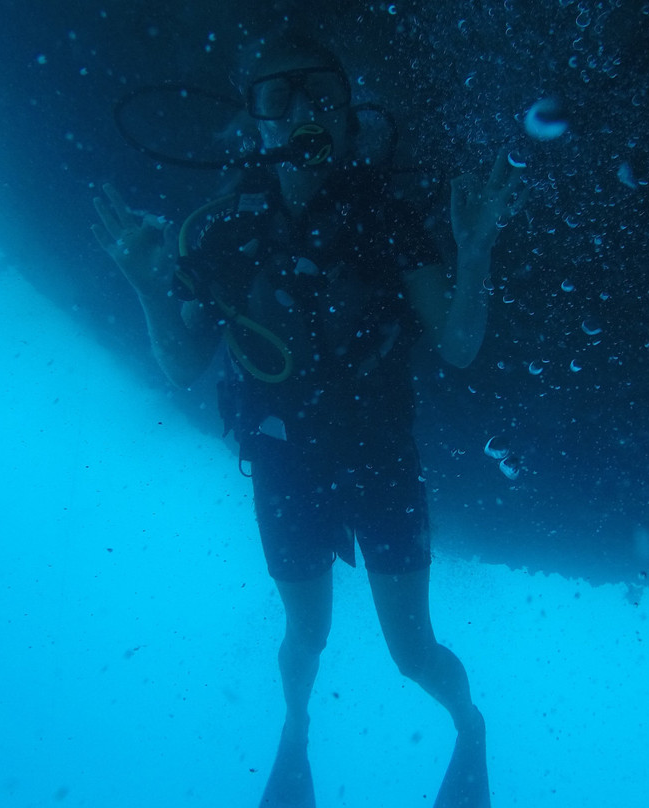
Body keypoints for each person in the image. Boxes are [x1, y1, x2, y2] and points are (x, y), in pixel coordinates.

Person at [93, 32, 522, 808]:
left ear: (350, 118)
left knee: (412, 651)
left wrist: (477, 248)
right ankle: (295, 729)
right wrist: (147, 286)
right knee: (307, 637)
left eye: (320, 96)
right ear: (253, 121)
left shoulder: (388, 220)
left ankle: (470, 726)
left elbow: (458, 346)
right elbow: (184, 365)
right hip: (283, 462)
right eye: (278, 99)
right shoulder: (221, 232)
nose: (300, 115)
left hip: (380, 456)